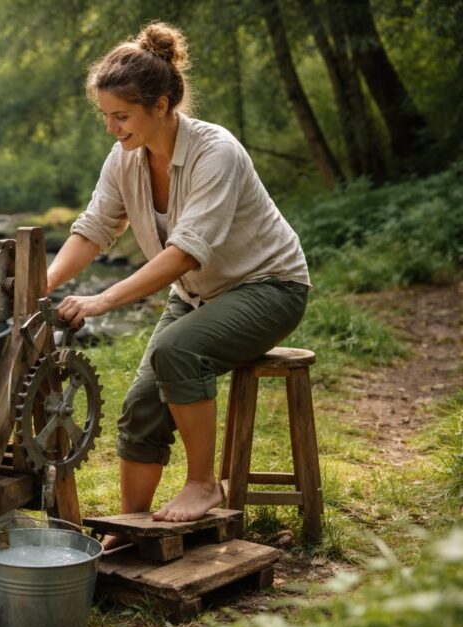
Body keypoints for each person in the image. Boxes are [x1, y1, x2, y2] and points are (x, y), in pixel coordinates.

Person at [48, 22, 311, 528]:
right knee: (141, 406)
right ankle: (132, 527)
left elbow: (186, 253)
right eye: (105, 116)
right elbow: (94, 228)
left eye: (121, 116)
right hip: (196, 297)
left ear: (162, 105)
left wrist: (101, 301)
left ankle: (202, 484)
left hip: (268, 288)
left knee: (178, 350)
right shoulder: (125, 158)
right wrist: (46, 281)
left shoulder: (217, 151)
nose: (111, 128)